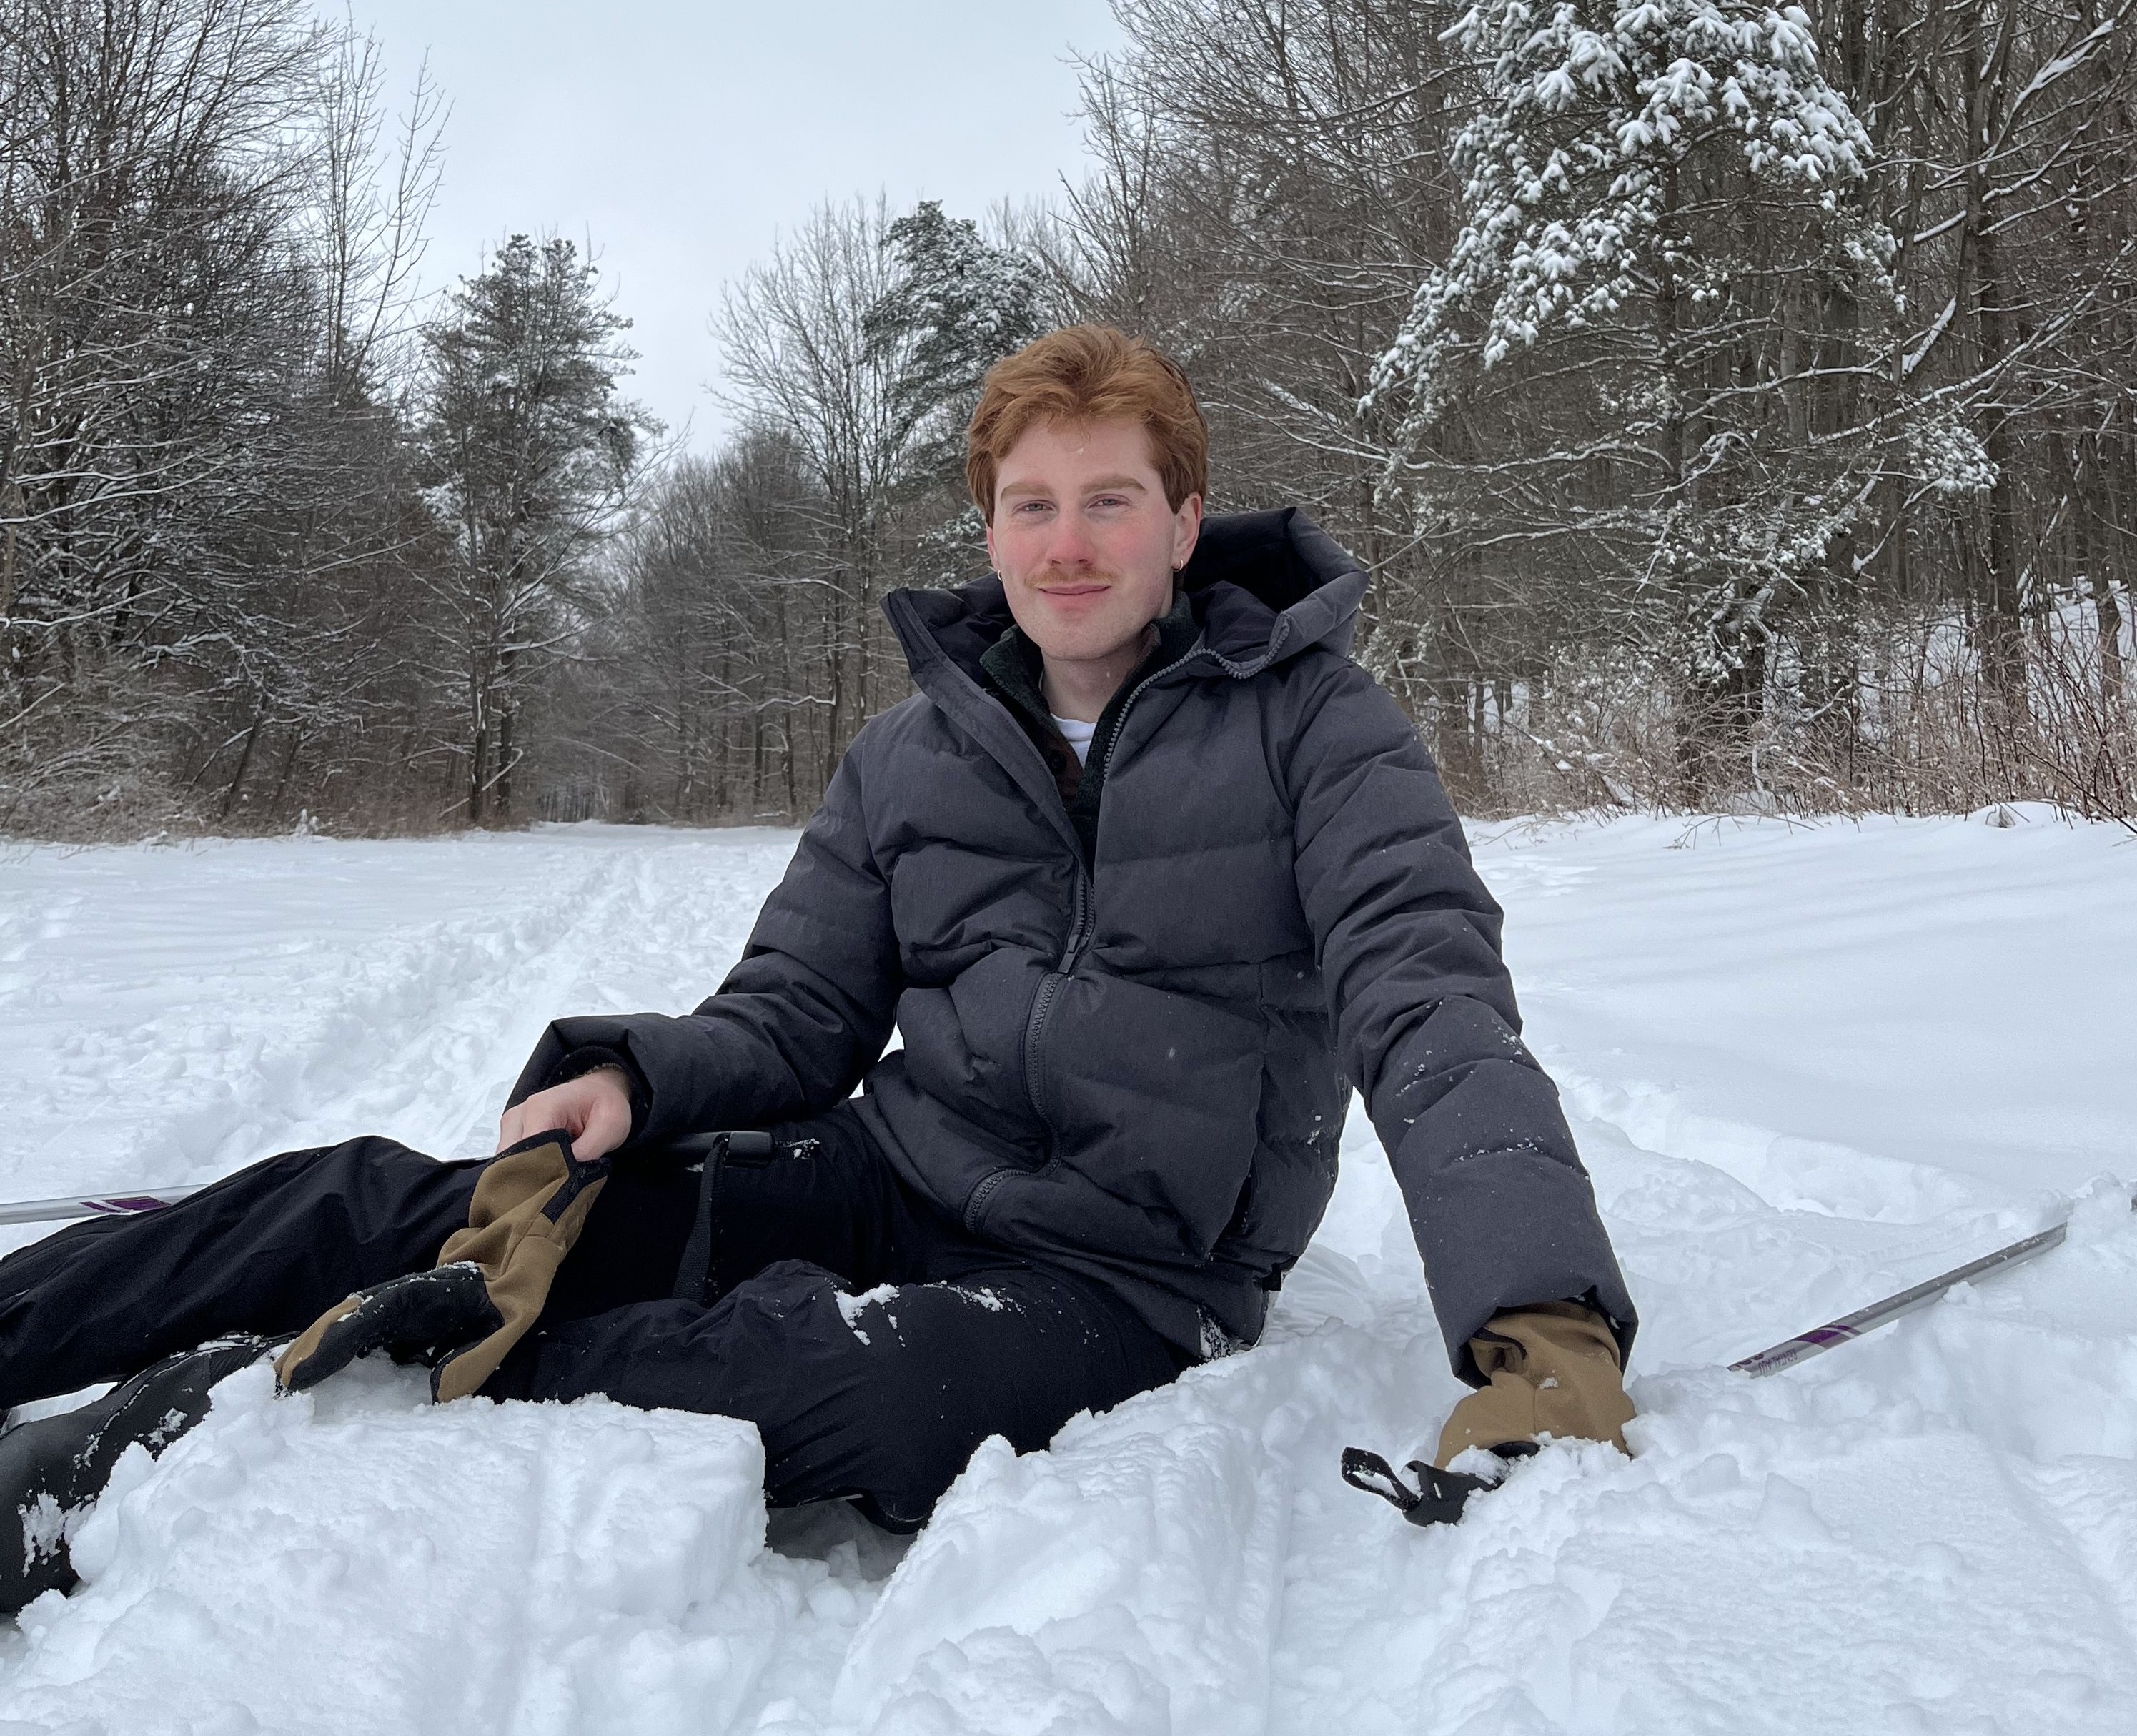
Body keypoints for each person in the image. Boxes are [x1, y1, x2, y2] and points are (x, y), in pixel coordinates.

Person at [0, 326, 1637, 1609]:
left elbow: (1426, 998)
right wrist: (634, 1079)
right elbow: (797, 1011)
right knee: (387, 1192)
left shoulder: (1320, 730)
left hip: (1132, 1269)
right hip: (888, 1170)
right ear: (988, 527)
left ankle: (271, 1396)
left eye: (1108, 500)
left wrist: (1539, 1319)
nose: (1067, 545)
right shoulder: (910, 753)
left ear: (1184, 520)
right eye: (1030, 505)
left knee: (869, 1398)